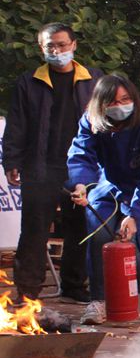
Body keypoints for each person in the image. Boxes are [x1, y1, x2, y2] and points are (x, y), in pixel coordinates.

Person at [3, 23, 102, 304]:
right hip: (40, 166)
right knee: (34, 231)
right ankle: (28, 292)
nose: (56, 51)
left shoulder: (94, 80)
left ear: (74, 45)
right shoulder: (29, 82)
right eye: (50, 46)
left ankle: (74, 286)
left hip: (82, 166)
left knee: (80, 228)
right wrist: (11, 161)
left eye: (61, 44)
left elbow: (105, 124)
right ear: (41, 48)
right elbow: (17, 125)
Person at [67, 74, 140, 324]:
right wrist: (80, 185)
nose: (120, 106)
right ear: (101, 104)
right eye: (113, 102)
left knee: (133, 241)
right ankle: (98, 301)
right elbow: (81, 155)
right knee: (99, 236)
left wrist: (135, 215)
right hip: (107, 188)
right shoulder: (90, 121)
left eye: (125, 99)